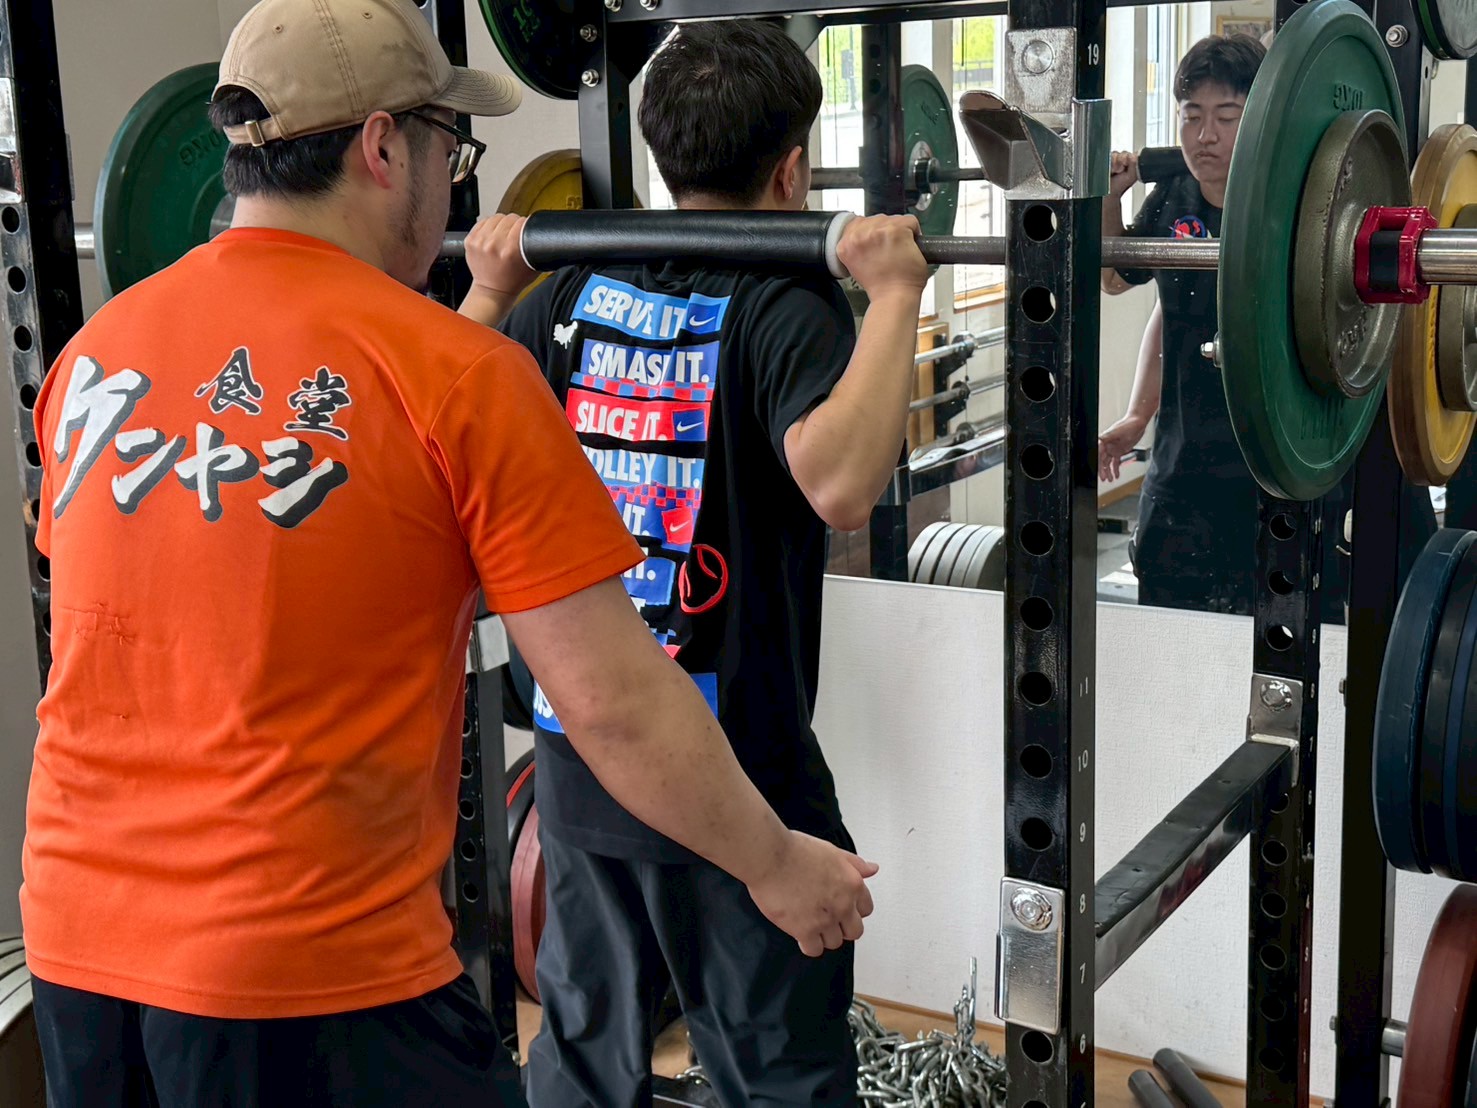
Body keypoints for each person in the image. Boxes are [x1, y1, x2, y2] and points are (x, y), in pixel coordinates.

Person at [19, 2, 879, 1105]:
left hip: (78, 943)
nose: (453, 181)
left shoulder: (96, 356)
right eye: (449, 148)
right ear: (384, 148)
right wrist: (777, 861)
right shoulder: (454, 374)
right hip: (308, 969)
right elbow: (612, 703)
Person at [456, 19, 928, 1108]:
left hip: (582, 757)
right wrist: (898, 294)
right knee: (779, 1076)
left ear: (661, 155)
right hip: (733, 778)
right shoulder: (783, 303)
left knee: (582, 1054)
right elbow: (841, 485)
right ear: (790, 170)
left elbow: (440, 420)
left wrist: (486, 284)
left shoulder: (564, 292)